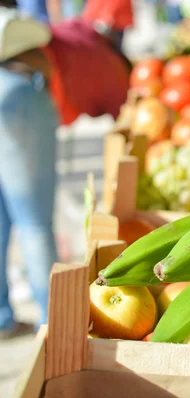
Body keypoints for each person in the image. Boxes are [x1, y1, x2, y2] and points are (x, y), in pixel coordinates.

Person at [0, 6, 129, 339]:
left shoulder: (76, 34)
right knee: (35, 222)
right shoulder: (112, 66)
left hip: (8, 85)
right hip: (18, 91)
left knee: (2, 216)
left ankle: (3, 318)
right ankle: (55, 326)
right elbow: (125, 116)